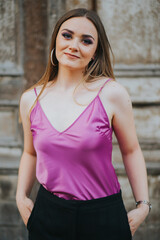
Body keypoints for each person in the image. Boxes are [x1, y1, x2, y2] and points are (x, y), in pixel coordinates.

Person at [16, 8, 151, 240]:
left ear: (95, 52)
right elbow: (30, 153)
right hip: (49, 213)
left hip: (103, 216)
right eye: (67, 35)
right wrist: (20, 196)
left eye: (86, 41)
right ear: (55, 40)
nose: (73, 45)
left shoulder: (112, 94)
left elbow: (131, 150)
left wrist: (144, 206)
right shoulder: (31, 99)